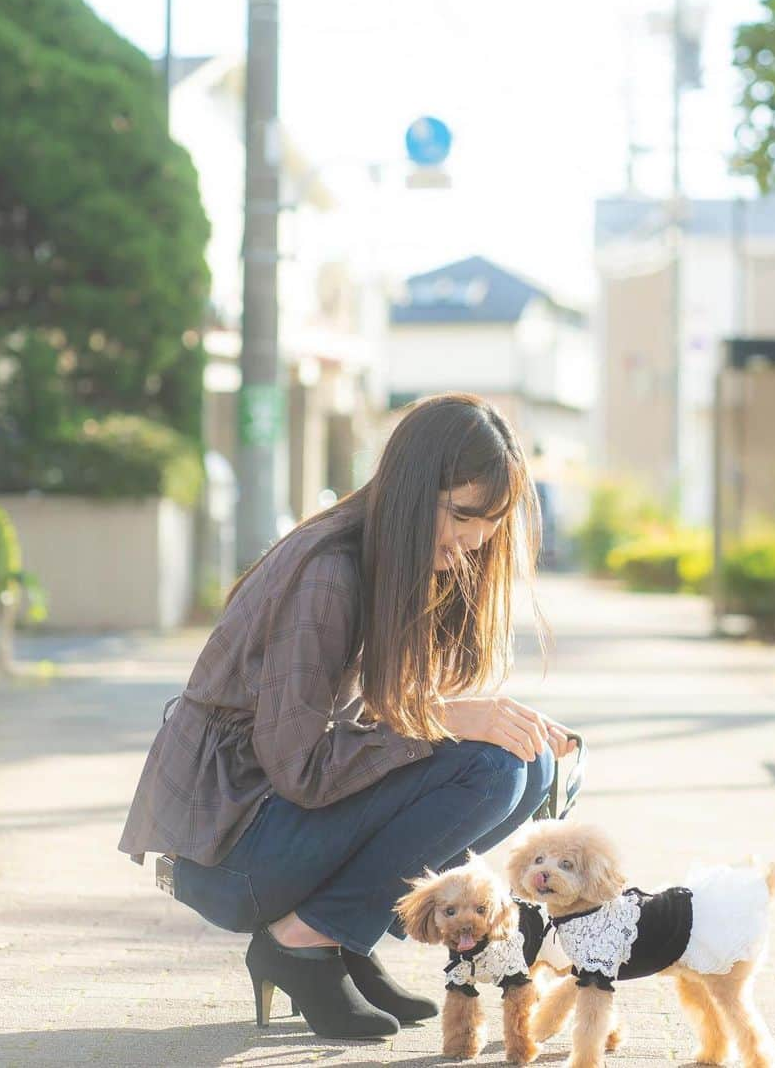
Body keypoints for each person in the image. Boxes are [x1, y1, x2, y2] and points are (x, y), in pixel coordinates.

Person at [119, 392, 577, 1042]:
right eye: (464, 515)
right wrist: (448, 720)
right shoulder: (329, 577)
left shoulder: (391, 563)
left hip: (267, 832)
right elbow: (303, 768)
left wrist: (498, 721)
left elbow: (379, 721)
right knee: (490, 769)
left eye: (490, 524)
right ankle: (308, 939)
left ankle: (339, 940)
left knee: (522, 765)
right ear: (416, 492)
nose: (476, 540)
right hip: (231, 855)